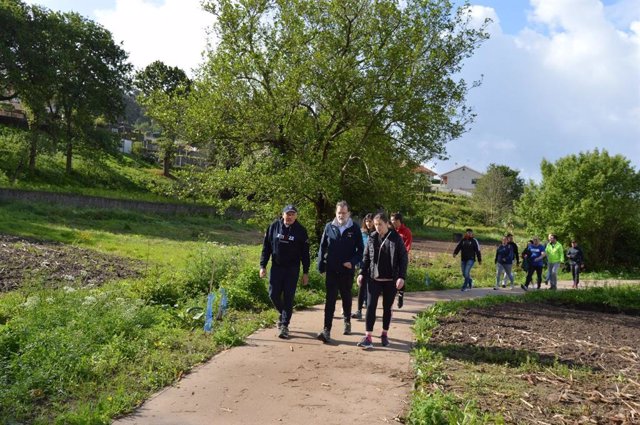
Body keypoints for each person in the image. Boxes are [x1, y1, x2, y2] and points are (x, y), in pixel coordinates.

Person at [356, 212, 408, 350]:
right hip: (374, 278)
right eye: (376, 224)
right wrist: (361, 273)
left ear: (387, 224)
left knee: (387, 308)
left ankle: (384, 334)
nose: (377, 227)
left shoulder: (396, 238)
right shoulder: (372, 237)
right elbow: (366, 257)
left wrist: (401, 277)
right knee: (371, 306)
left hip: (390, 279)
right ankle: (368, 337)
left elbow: (403, 258)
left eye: (380, 224)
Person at [259, 204, 311, 339]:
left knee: (288, 296)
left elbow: (305, 254)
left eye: (293, 214)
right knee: (273, 294)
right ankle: (283, 314)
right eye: (288, 214)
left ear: (296, 216)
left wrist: (306, 272)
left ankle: (284, 325)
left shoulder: (301, 231)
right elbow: (266, 248)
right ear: (283, 215)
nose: (290, 217)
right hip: (276, 267)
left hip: (292, 269)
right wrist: (262, 266)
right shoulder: (274, 227)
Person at [316, 201, 364, 343]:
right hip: (331, 269)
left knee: (346, 297)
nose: (341, 215)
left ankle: (347, 321)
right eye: (339, 213)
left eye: (344, 213)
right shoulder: (329, 227)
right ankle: (326, 330)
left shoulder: (354, 228)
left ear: (348, 213)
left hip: (346, 270)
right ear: (335, 213)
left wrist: (353, 262)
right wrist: (321, 265)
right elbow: (322, 247)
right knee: (330, 299)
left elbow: (361, 250)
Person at [352, 213, 374, 320]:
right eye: (367, 221)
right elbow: (358, 247)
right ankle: (359, 310)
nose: (369, 223)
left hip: (374, 265)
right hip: (363, 262)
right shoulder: (362, 233)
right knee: (361, 285)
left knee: (371, 288)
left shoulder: (377, 233)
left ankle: (370, 310)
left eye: (370, 221)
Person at [390, 212, 412, 308]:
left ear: (399, 221)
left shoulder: (406, 232)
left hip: (401, 258)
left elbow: (407, 246)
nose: (392, 223)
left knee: (401, 277)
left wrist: (401, 256)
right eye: (391, 221)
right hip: (391, 258)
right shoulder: (390, 230)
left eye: (394, 221)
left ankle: (400, 295)